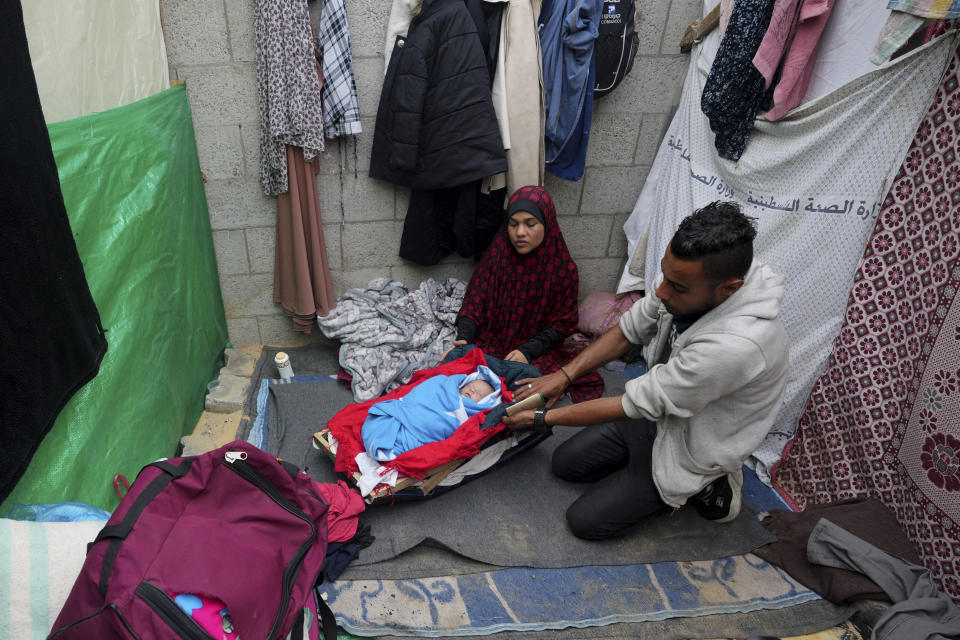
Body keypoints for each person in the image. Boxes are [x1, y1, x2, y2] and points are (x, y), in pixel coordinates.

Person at [503, 201, 789, 539]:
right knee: (565, 464)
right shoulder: (689, 274)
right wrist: (562, 377)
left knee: (585, 522)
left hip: (692, 444)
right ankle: (640, 465)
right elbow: (630, 330)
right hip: (657, 412)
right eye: (665, 275)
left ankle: (713, 485)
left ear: (729, 289)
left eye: (677, 288)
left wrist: (539, 418)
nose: (660, 291)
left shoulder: (737, 346)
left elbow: (633, 403)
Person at [449, 184, 604, 402]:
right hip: (495, 339)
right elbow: (476, 300)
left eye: (531, 224)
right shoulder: (497, 256)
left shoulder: (562, 268)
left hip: (537, 347)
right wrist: (463, 338)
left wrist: (527, 351)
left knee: (531, 385)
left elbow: (563, 323)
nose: (520, 233)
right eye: (513, 224)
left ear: (547, 224)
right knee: (466, 372)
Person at [361, 365, 503, 461]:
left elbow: (450, 429)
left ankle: (387, 444)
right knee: (384, 417)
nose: (472, 390)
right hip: (410, 411)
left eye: (479, 393)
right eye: (470, 386)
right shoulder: (444, 386)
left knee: (412, 443)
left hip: (425, 430)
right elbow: (424, 393)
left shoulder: (469, 415)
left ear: (483, 403)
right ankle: (383, 438)